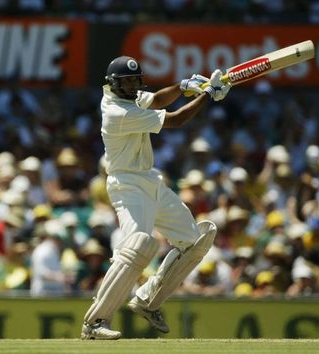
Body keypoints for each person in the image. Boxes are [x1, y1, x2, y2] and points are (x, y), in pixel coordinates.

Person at [80, 56, 231, 340]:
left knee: (196, 239)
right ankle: (95, 322)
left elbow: (159, 99)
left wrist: (184, 86)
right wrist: (207, 95)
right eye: (126, 82)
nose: (132, 86)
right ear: (114, 84)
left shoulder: (129, 96)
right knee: (139, 245)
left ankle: (148, 301)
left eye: (135, 81)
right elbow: (176, 119)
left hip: (150, 181)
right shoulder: (117, 111)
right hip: (127, 185)